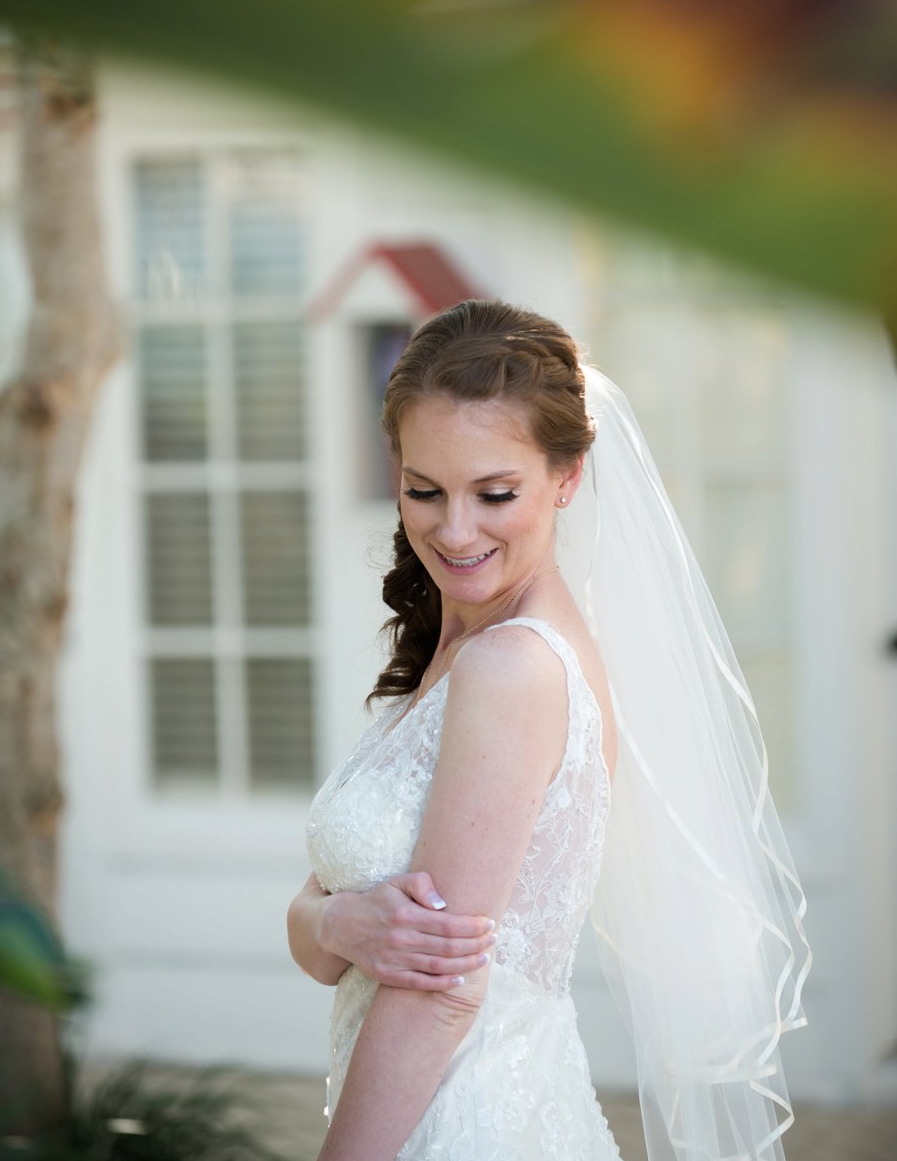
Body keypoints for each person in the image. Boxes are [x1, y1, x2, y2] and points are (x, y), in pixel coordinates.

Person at [287, 299, 811, 1161]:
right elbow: (316, 922)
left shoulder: (514, 670)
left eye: (496, 493)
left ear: (567, 477)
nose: (454, 531)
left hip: (472, 1124)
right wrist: (339, 925)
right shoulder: (459, 650)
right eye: (425, 490)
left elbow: (441, 993)